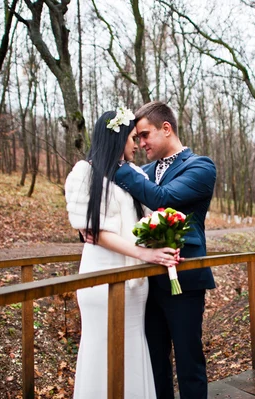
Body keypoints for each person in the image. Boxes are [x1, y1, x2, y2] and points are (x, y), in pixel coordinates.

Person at [65, 107, 180, 399]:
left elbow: (144, 220)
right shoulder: (85, 173)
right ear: (116, 139)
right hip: (100, 277)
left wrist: (161, 241)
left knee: (132, 344)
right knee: (101, 345)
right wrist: (145, 256)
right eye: (131, 137)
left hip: (134, 283)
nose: (136, 144)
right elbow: (96, 233)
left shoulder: (136, 174)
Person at [114, 101, 217, 399]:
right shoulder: (141, 170)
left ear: (167, 128)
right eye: (136, 138)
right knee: (155, 363)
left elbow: (164, 197)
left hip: (184, 278)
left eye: (145, 135)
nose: (140, 142)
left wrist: (119, 166)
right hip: (145, 281)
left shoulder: (200, 166)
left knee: (188, 362)